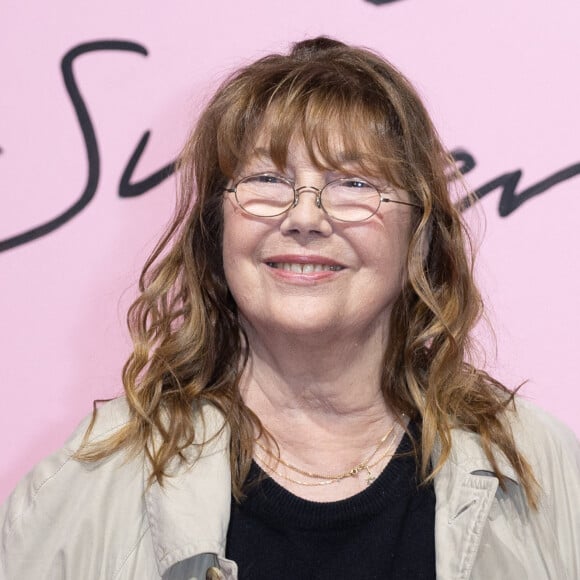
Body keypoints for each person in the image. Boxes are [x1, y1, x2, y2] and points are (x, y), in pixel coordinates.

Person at [1, 36, 579, 580]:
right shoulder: (83, 487)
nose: (304, 217)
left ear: (420, 236)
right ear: (216, 231)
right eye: (267, 179)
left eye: (353, 183)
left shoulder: (543, 471)